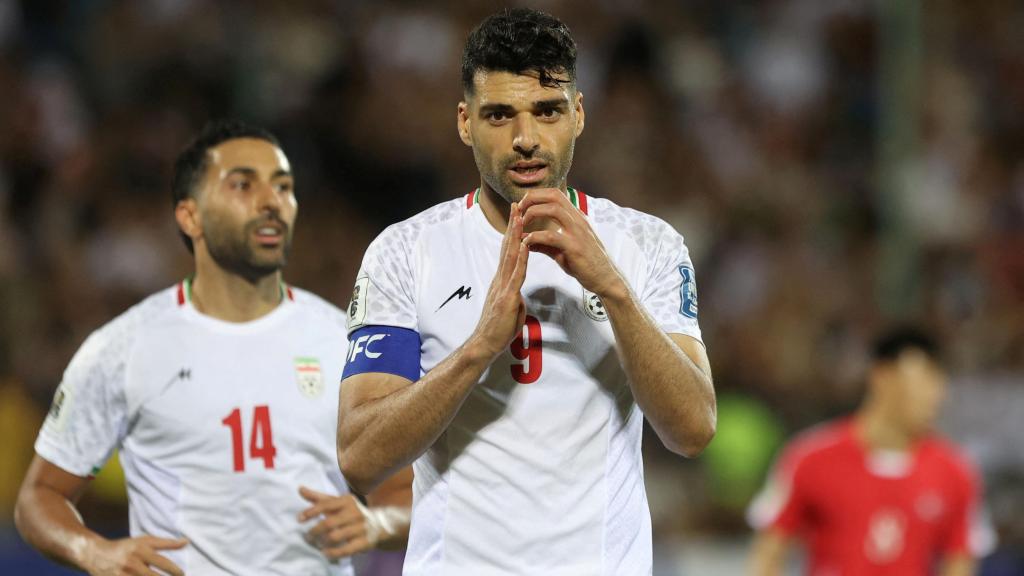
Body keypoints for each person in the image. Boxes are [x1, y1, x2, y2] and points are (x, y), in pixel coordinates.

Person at [336, 8, 716, 575]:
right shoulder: (405, 251)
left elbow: (692, 429)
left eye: (547, 111)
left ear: (578, 115)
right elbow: (360, 458)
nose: (525, 139)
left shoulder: (648, 245)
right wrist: (477, 349)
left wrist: (610, 288)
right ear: (465, 122)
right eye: (499, 115)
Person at [14, 120, 412, 575]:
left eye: (283, 187)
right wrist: (93, 550)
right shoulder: (124, 348)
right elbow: (38, 498)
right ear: (190, 216)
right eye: (243, 185)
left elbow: (404, 494)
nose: (271, 202)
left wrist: (377, 522)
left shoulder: (344, 343)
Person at [747, 328, 995, 576]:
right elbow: (769, 554)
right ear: (881, 377)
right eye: (922, 380)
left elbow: (960, 562)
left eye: (938, 382)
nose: (934, 395)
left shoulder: (956, 472)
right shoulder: (809, 458)